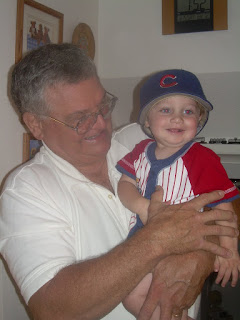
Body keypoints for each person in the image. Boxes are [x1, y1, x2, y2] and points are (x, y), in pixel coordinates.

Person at [0, 44, 238, 320]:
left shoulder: (141, 141)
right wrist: (157, 241)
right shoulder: (25, 192)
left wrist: (201, 255)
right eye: (80, 119)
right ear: (36, 124)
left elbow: (222, 198)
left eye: (103, 106)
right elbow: (52, 310)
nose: (101, 124)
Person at [116, 69, 240, 319]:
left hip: (182, 245)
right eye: (165, 110)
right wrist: (142, 206)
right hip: (142, 244)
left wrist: (229, 249)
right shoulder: (140, 150)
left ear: (199, 120)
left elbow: (223, 206)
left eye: (188, 111)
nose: (177, 119)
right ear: (147, 121)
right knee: (134, 297)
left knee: (155, 298)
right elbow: (124, 184)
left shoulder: (201, 159)